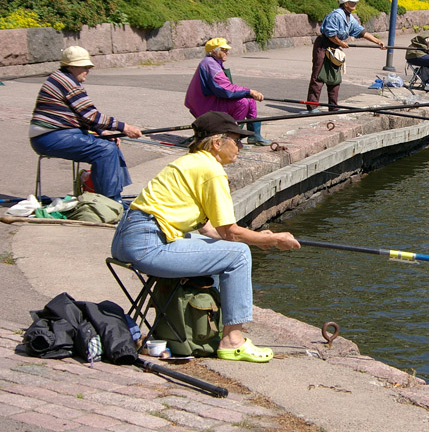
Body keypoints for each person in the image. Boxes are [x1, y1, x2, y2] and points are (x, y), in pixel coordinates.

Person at [110, 111, 301, 363]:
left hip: (128, 239)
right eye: (236, 140)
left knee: (224, 248)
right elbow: (228, 231)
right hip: (149, 244)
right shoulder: (211, 170)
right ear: (216, 143)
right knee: (239, 255)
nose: (241, 146)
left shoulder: (190, 162)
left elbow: (210, 230)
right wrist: (270, 240)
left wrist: (256, 236)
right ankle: (233, 341)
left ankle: (211, 326)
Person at [29, 46, 142, 204]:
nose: (88, 70)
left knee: (109, 144)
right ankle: (109, 202)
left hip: (59, 134)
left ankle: (113, 194)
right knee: (105, 150)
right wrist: (125, 127)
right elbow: (91, 115)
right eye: (85, 67)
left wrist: (102, 132)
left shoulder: (63, 78)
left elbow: (82, 116)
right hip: (49, 137)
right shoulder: (68, 83)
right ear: (72, 66)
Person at [185, 38, 270, 146]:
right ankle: (231, 138)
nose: (227, 52)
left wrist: (249, 93)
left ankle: (254, 136)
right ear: (214, 51)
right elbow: (225, 89)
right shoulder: (210, 64)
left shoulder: (215, 62)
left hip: (214, 99)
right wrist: (249, 91)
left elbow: (226, 89)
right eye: (224, 50)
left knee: (250, 100)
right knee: (242, 102)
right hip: (205, 104)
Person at [308, 0, 385, 112]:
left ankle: (333, 107)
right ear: (345, 3)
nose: (355, 4)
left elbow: (361, 31)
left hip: (335, 48)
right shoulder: (336, 15)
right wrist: (341, 43)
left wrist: (377, 41)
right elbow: (330, 34)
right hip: (324, 46)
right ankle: (312, 106)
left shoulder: (350, 17)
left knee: (335, 78)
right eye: (352, 2)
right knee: (318, 76)